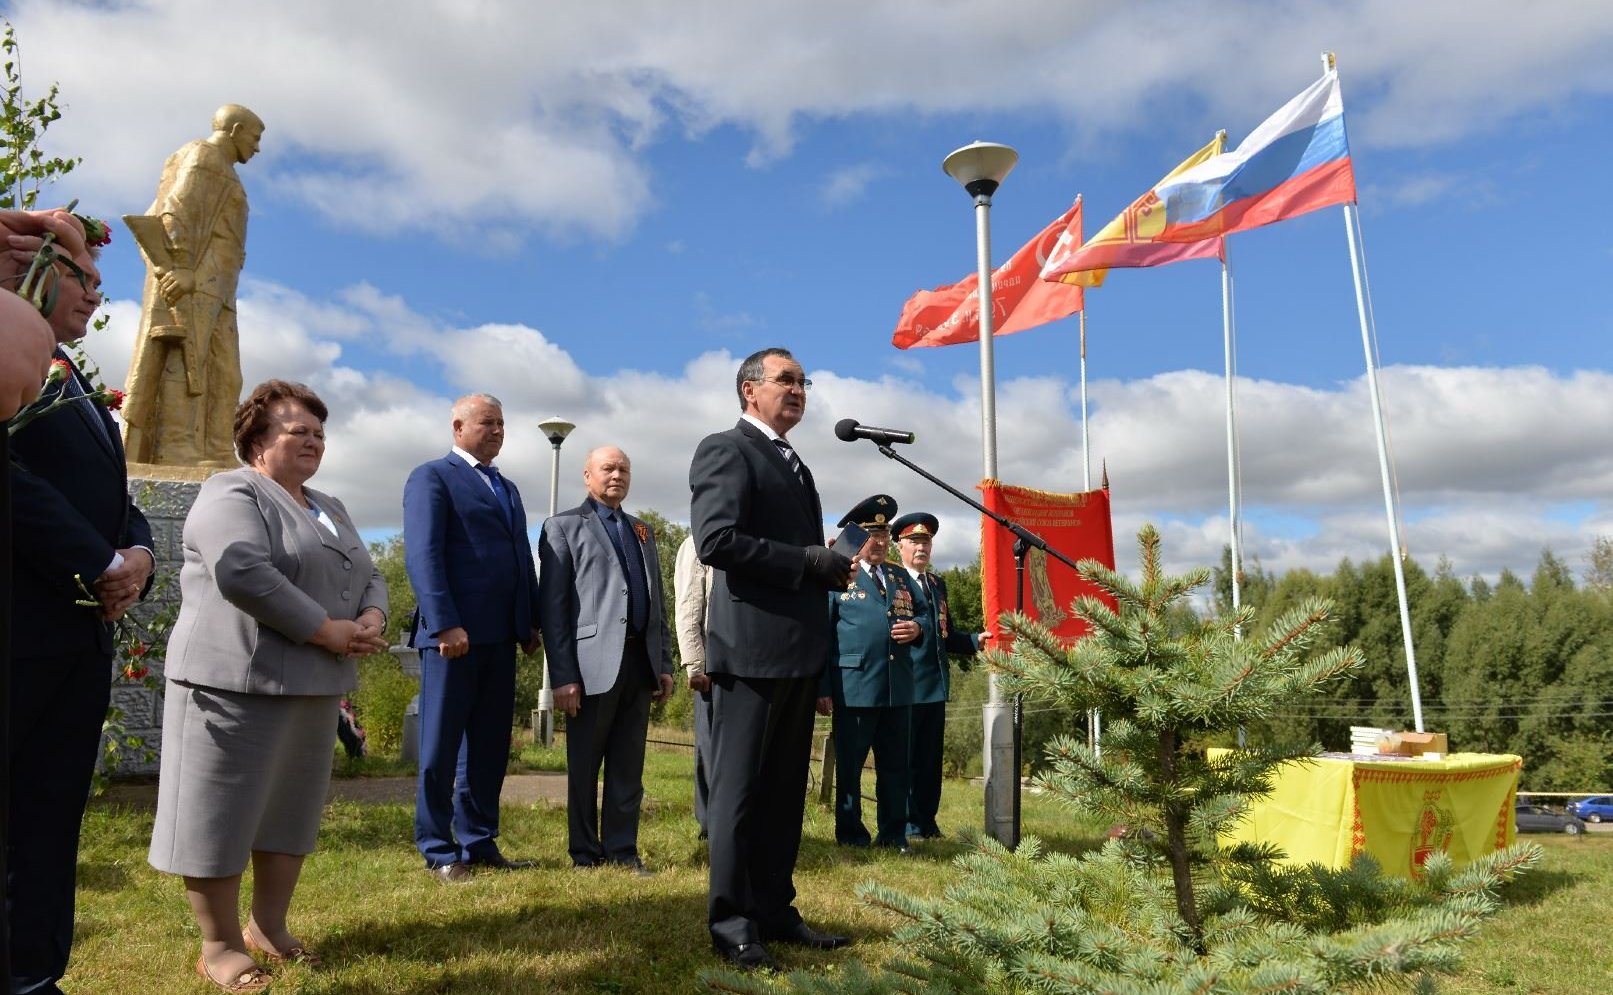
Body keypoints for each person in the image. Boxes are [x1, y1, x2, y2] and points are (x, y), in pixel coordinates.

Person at [146, 379, 387, 991]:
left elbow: (369, 573)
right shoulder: (230, 490)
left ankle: (268, 927)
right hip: (232, 683)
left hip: (312, 686)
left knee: (289, 814)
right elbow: (242, 572)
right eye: (296, 430)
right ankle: (219, 944)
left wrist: (371, 618)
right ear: (256, 441)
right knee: (217, 815)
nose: (313, 440)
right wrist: (323, 629)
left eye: (319, 433)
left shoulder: (330, 505)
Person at [5, 214, 156, 995]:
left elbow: (116, 500)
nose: (96, 295)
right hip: (20, 626)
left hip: (81, 636)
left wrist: (138, 555)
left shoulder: (77, 381)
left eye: (101, 283)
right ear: (28, 267)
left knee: (49, 815)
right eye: (80, 276)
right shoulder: (12, 359)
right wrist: (96, 558)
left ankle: (35, 972)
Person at [688, 346, 856, 971]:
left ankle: (775, 910)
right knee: (739, 795)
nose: (798, 390)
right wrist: (808, 562)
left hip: (795, 652)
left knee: (785, 793)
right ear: (748, 391)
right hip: (750, 653)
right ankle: (732, 922)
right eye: (785, 380)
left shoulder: (795, 463)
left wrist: (828, 565)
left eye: (803, 381)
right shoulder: (725, 448)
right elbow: (717, 540)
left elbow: (793, 551)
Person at [403, 393, 541, 881]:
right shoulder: (432, 477)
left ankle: (479, 842)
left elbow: (522, 560)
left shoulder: (508, 487)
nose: (498, 430)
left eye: (503, 423)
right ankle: (439, 849)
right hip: (452, 639)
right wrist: (444, 621)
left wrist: (529, 623)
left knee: (488, 748)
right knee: (439, 749)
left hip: (500, 639)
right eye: (488, 422)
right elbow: (423, 554)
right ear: (457, 426)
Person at [537, 446, 675, 872]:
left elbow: (658, 602)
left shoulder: (643, 531)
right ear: (587, 475)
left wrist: (665, 663)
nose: (616, 475)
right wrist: (562, 676)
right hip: (589, 668)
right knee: (584, 766)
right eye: (607, 468)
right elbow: (554, 610)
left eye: (624, 469)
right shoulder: (562, 527)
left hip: (639, 664)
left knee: (628, 766)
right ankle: (584, 852)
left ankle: (622, 850)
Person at [122, 104, 264, 466]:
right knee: (185, 362)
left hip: (220, 287)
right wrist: (182, 267)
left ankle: (215, 447)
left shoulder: (222, 167)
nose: (257, 147)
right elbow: (175, 209)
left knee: (226, 374)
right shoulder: (204, 157)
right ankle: (177, 447)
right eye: (254, 136)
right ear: (234, 130)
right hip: (196, 281)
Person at [822, 495, 921, 852]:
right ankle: (850, 833)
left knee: (896, 766)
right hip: (855, 685)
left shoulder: (899, 575)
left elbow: (924, 615)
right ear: (856, 537)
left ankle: (894, 835)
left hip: (898, 687)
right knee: (850, 766)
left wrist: (918, 628)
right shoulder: (837, 573)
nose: (879, 542)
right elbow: (822, 632)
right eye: (871, 535)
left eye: (883, 534)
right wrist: (822, 687)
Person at [890, 512, 985, 840]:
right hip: (905, 685)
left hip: (934, 686)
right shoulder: (893, 581)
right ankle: (901, 822)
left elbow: (945, 635)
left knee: (929, 762)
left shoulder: (936, 584)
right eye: (914, 541)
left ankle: (925, 822)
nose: (921, 547)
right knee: (903, 759)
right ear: (899, 546)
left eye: (926, 541)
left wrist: (975, 642)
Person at [672, 533, 714, 837]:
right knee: (710, 749)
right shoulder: (696, 544)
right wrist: (695, 665)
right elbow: (688, 607)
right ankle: (709, 825)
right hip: (711, 666)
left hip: (748, 665)